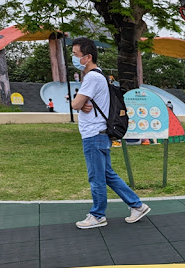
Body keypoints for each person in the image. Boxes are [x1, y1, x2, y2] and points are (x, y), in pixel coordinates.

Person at [70, 37, 150, 229]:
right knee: (107, 174)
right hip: (100, 133)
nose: (73, 58)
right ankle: (137, 205)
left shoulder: (91, 77)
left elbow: (76, 104)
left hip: (93, 135)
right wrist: (81, 104)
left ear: (87, 57)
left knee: (96, 177)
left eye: (75, 55)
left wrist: (79, 104)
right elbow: (82, 104)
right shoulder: (100, 76)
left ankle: (98, 215)